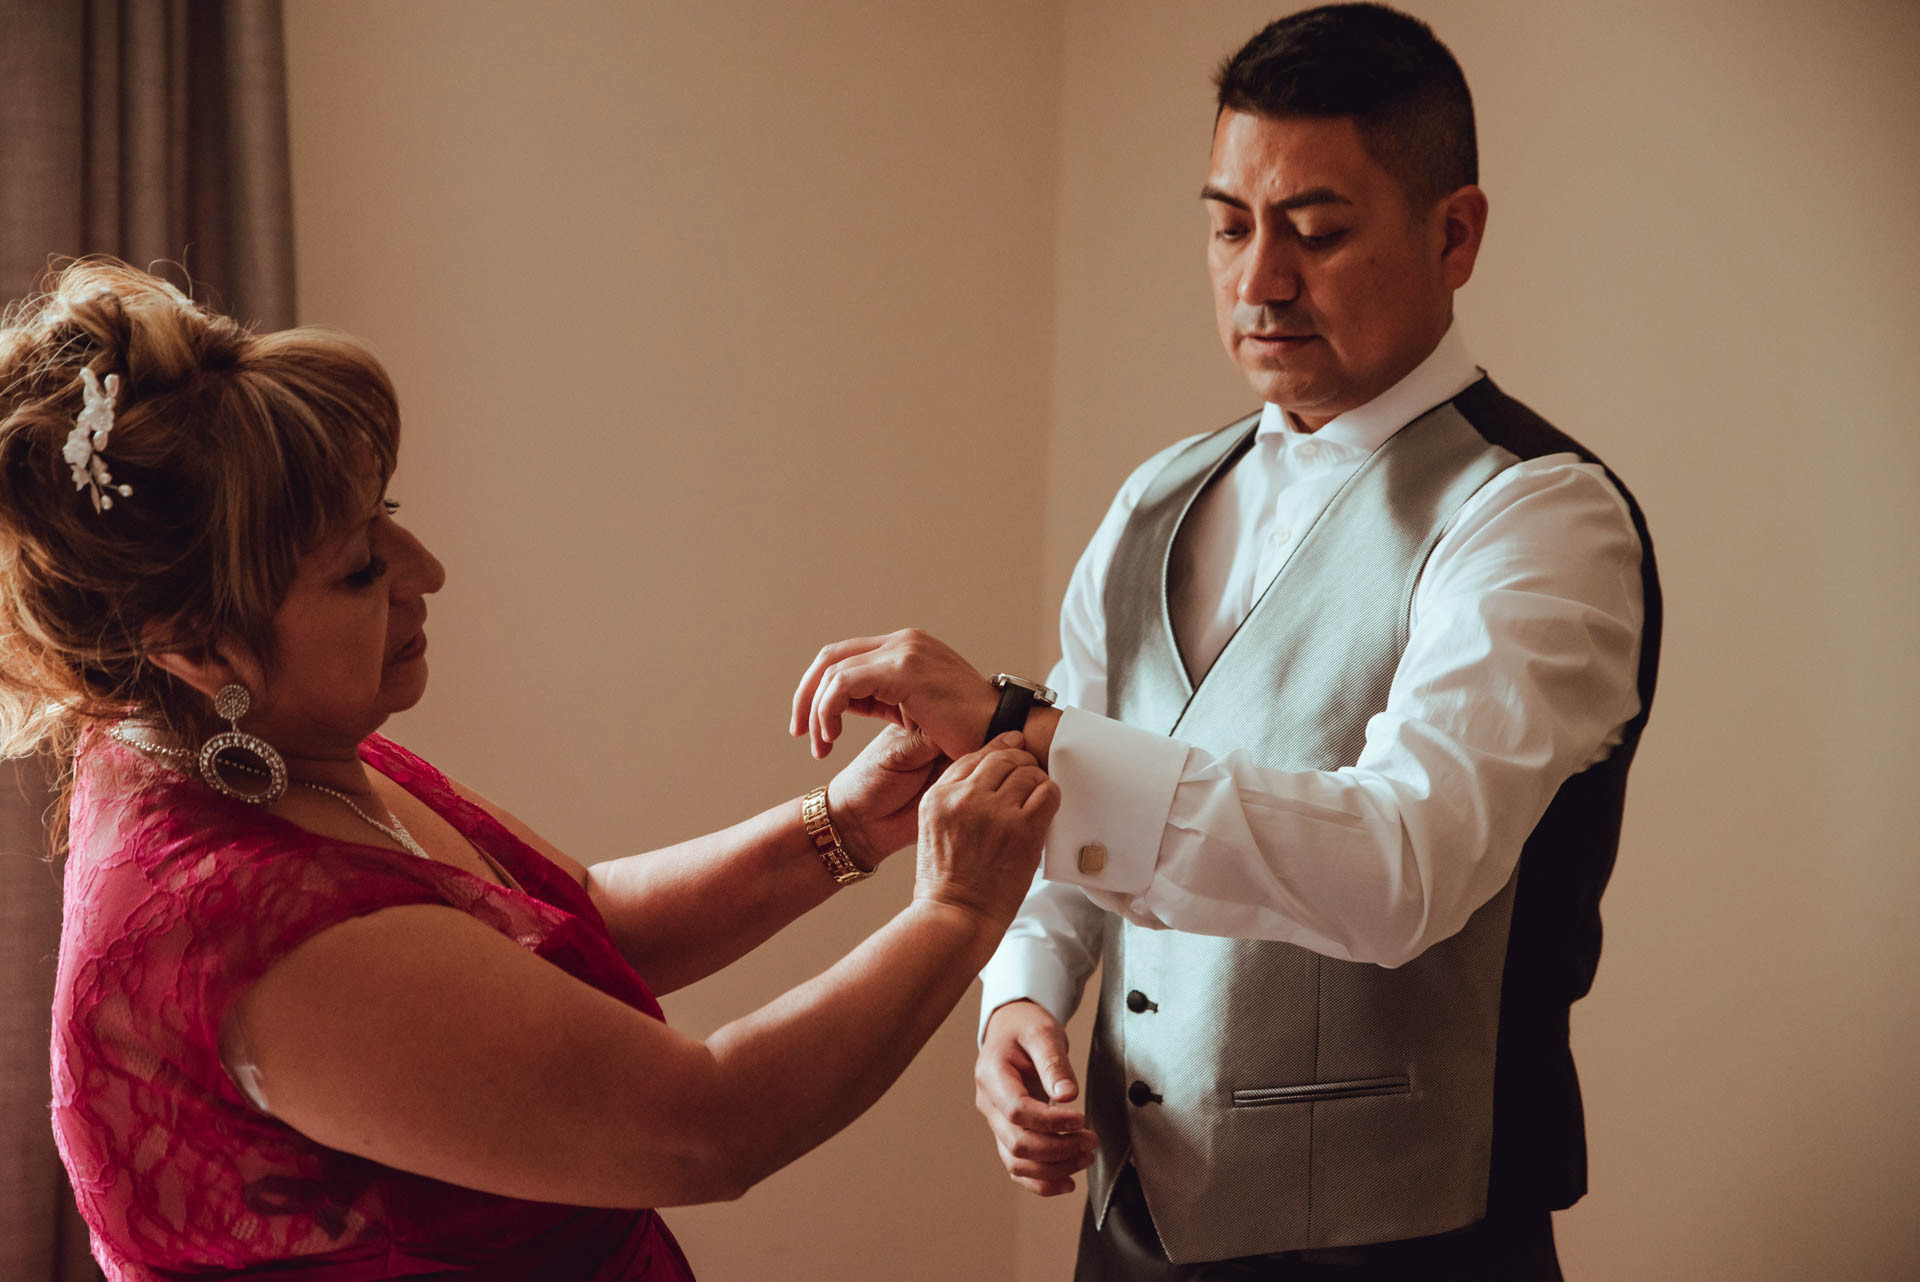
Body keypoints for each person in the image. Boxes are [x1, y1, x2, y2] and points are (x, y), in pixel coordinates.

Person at [790, 5, 1661, 1278]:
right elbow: (1069, 808)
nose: (1260, 278)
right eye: (1228, 223)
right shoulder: (1157, 495)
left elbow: (1399, 867)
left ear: (1455, 233)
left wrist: (1008, 718)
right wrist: (1022, 992)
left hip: (1410, 1243)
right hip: (1129, 1232)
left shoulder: (1538, 516)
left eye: (1316, 230)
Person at [0, 260, 1060, 1281]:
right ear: (198, 645)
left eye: (391, 522)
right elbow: (706, 1127)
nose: (427, 576)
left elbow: (574, 918)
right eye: (361, 568)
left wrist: (846, 824)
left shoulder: (254, 755)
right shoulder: (259, 933)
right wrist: (958, 908)